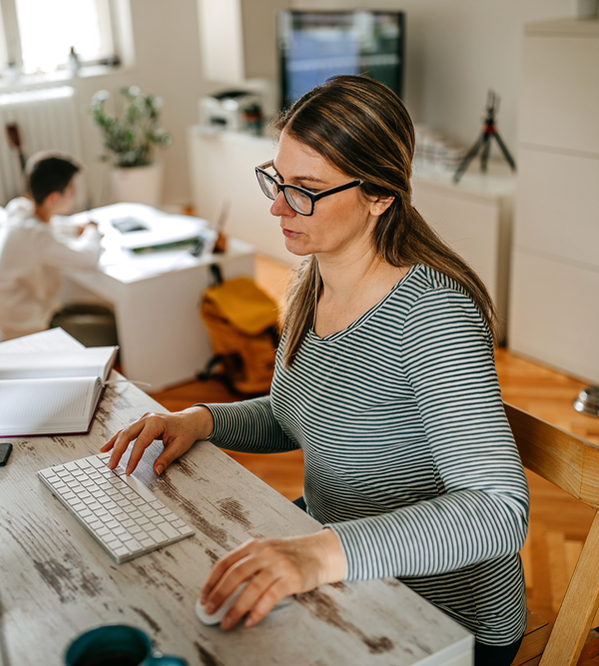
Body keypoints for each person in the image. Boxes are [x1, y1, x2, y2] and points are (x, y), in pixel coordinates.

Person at [102, 76, 529, 666]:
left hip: (441, 617)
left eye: (306, 190)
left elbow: (499, 510)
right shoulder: (313, 279)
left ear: (379, 195)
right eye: (277, 180)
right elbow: (296, 416)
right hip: (345, 572)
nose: (277, 206)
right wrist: (201, 420)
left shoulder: (433, 315)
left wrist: (317, 555)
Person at [0, 151, 104, 342]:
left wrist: (76, 228)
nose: (74, 194)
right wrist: (92, 232)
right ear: (53, 199)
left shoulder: (19, 209)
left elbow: (50, 226)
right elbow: (88, 258)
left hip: (13, 320)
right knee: (110, 328)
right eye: (71, 189)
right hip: (26, 330)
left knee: (99, 311)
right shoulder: (36, 236)